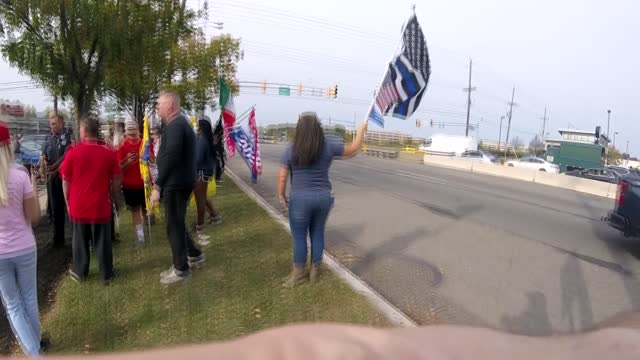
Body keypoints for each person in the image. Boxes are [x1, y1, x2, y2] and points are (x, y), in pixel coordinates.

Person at [40, 312, 640, 359]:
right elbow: (349, 147)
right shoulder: (322, 146)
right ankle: (307, 265)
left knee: (304, 242)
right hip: (319, 197)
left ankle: (301, 266)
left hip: (300, 199)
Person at [278, 112, 367, 287]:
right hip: (324, 198)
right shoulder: (328, 145)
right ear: (318, 127)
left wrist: (281, 195)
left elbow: (282, 176)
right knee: (317, 232)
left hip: (300, 200)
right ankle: (315, 270)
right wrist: (361, 131)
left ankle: (298, 274)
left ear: (299, 128)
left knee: (299, 237)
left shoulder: (291, 148)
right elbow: (353, 149)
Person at [0, 121, 45, 356]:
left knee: (13, 305)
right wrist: (34, 187)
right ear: (9, 144)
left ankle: (35, 351)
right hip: (24, 247)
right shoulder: (20, 175)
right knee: (29, 298)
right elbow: (34, 217)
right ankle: (36, 347)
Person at [151, 90, 204, 285]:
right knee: (178, 222)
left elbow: (172, 155)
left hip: (176, 183)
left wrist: (158, 185)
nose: (157, 108)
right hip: (181, 181)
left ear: (170, 106)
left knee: (173, 225)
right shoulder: (177, 124)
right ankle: (195, 254)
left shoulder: (176, 125)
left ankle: (181, 268)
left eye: (159, 104)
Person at [60, 116, 121, 284]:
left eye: (80, 129)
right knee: (103, 242)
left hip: (78, 205)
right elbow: (116, 182)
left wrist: (67, 202)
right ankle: (106, 274)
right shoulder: (109, 153)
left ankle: (80, 271)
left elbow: (65, 180)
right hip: (100, 205)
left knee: (79, 242)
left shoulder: (73, 153)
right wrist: (116, 201)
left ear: (84, 131)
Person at [40, 112, 73, 249]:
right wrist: (43, 164)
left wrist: (55, 168)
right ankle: (58, 239)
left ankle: (76, 237)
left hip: (66, 177)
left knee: (70, 207)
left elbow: (67, 155)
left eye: (54, 123)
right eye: (50, 123)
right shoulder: (48, 138)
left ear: (61, 123)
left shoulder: (68, 137)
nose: (51, 126)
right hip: (52, 179)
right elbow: (43, 155)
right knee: (55, 209)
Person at [194, 116, 223, 246]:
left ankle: (200, 226)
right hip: (205, 173)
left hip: (200, 174)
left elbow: (198, 159)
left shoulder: (202, 140)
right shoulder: (207, 139)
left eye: (197, 124)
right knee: (203, 198)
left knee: (200, 200)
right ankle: (215, 216)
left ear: (201, 126)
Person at [117, 120, 147, 245]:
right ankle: (140, 237)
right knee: (135, 210)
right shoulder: (122, 146)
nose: (133, 137)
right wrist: (127, 162)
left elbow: (152, 160)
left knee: (145, 209)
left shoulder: (144, 144)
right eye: (130, 135)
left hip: (144, 182)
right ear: (126, 134)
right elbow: (118, 167)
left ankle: (146, 227)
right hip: (130, 184)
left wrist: (146, 159)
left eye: (135, 134)